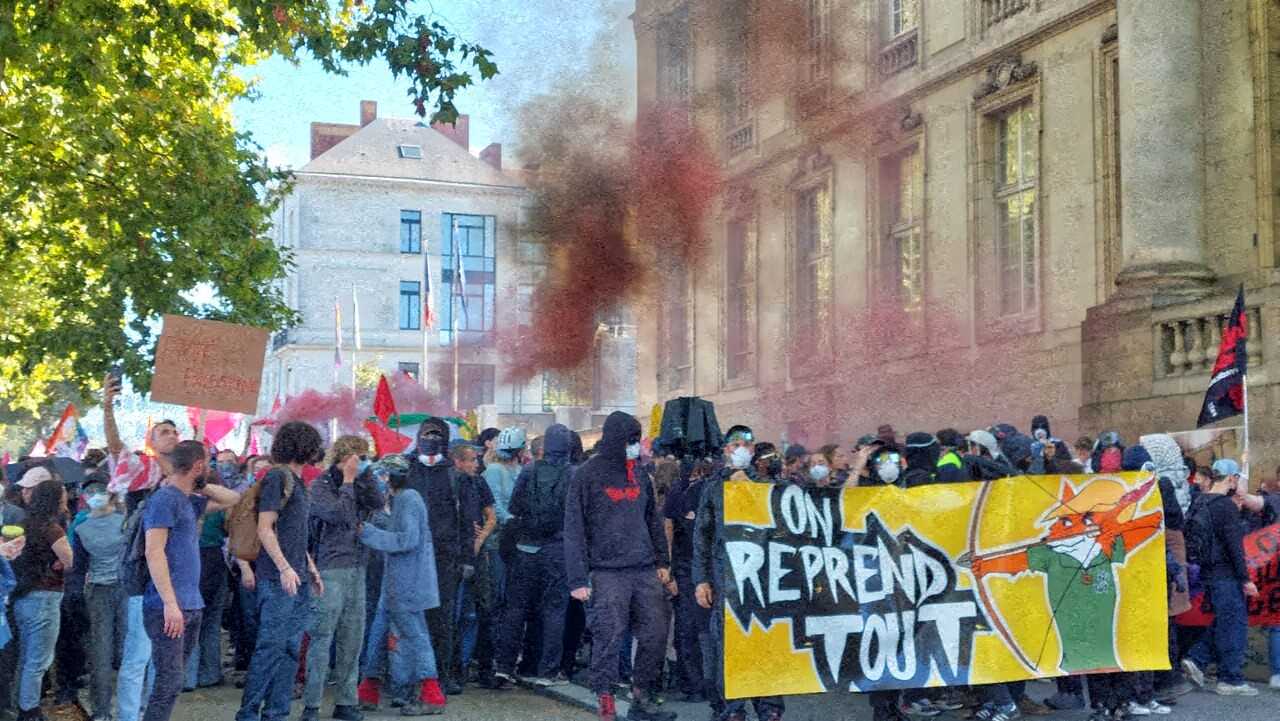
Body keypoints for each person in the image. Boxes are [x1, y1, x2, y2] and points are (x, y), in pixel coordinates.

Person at [565, 412, 674, 721]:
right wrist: (577, 579)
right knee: (609, 637)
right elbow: (574, 528)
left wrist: (662, 561)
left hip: (643, 569)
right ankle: (605, 698)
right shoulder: (587, 475)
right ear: (616, 440)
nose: (635, 446)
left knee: (655, 635)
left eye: (636, 441)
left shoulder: (640, 474)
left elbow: (653, 520)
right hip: (607, 571)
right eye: (630, 441)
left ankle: (642, 698)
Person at [142, 440, 240, 721]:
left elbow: (231, 499)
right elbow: (154, 550)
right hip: (169, 605)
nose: (211, 467)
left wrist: (199, 484)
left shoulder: (188, 500)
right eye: (207, 463)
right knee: (168, 683)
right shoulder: (165, 499)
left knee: (173, 682)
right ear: (198, 465)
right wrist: (170, 603)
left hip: (190, 603)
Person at [693, 424, 782, 721]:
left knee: (765, 641)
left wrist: (748, 485)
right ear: (725, 450)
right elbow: (702, 535)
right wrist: (701, 579)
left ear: (754, 450)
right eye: (734, 444)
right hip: (724, 576)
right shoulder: (713, 487)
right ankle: (732, 708)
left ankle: (769, 706)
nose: (740, 448)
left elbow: (778, 525)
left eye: (746, 443)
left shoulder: (766, 485)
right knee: (728, 644)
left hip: (762, 576)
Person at [237, 421, 325, 721]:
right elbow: (265, 528)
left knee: (289, 648)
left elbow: (295, 533)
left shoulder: (298, 481)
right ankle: (248, 714)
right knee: (271, 648)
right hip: (278, 578)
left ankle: (276, 713)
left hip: (296, 576)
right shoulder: (278, 477)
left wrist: (310, 569)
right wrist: (286, 568)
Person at [302, 435, 384, 721]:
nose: (363, 463)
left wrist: (366, 473)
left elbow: (378, 500)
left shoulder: (362, 480)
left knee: (353, 638)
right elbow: (341, 515)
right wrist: (348, 481)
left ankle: (346, 702)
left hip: (358, 566)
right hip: (329, 568)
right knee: (322, 637)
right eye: (359, 457)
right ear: (343, 458)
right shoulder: (321, 486)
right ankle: (312, 704)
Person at [358, 455, 445, 716]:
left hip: (409, 584)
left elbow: (407, 539)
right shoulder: (402, 500)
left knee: (416, 637)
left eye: (379, 477)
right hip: (396, 583)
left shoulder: (409, 499)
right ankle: (369, 689)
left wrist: (367, 532)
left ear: (388, 477)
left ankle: (432, 695)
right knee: (379, 635)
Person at [494, 424, 573, 687]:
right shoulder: (574, 473)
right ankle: (547, 671)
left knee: (515, 609)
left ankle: (504, 667)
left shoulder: (529, 470)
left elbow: (515, 506)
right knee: (554, 612)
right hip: (558, 551)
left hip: (525, 549)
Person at [1182, 458, 1259, 697]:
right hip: (1226, 574)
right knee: (1235, 624)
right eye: (1236, 478)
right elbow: (1234, 546)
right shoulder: (1225, 506)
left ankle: (1197, 658)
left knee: (1225, 621)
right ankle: (1230, 679)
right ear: (1231, 478)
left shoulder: (1199, 502)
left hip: (1207, 572)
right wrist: (1245, 579)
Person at [406, 418, 463, 696]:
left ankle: (444, 673)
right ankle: (409, 676)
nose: (430, 439)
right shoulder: (405, 468)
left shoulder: (454, 473)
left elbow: (463, 518)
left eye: (435, 434)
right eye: (426, 434)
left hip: (444, 556)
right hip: (410, 555)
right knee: (409, 617)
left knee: (444, 618)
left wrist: (463, 557)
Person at [11, 473, 73, 721]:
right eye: (63, 500)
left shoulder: (24, 524)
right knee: (39, 660)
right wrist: (60, 562)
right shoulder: (52, 529)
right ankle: (30, 711)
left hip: (23, 596)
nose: (66, 504)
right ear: (54, 502)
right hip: (45, 597)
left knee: (26, 656)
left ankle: (20, 704)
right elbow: (70, 561)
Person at [68, 474, 126, 721]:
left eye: (99, 489)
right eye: (90, 491)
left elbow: (79, 567)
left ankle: (115, 709)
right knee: (110, 652)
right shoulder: (86, 526)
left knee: (115, 651)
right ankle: (111, 710)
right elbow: (78, 566)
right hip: (110, 590)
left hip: (112, 590)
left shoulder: (122, 522)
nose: (94, 495)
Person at [449, 445, 497, 687]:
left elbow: (491, 516)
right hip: (455, 557)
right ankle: (455, 668)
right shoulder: (450, 483)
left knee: (481, 611)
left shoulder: (478, 484)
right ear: (458, 462)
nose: (476, 464)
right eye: (471, 460)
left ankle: (480, 665)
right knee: (455, 613)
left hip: (477, 557)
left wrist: (480, 539)